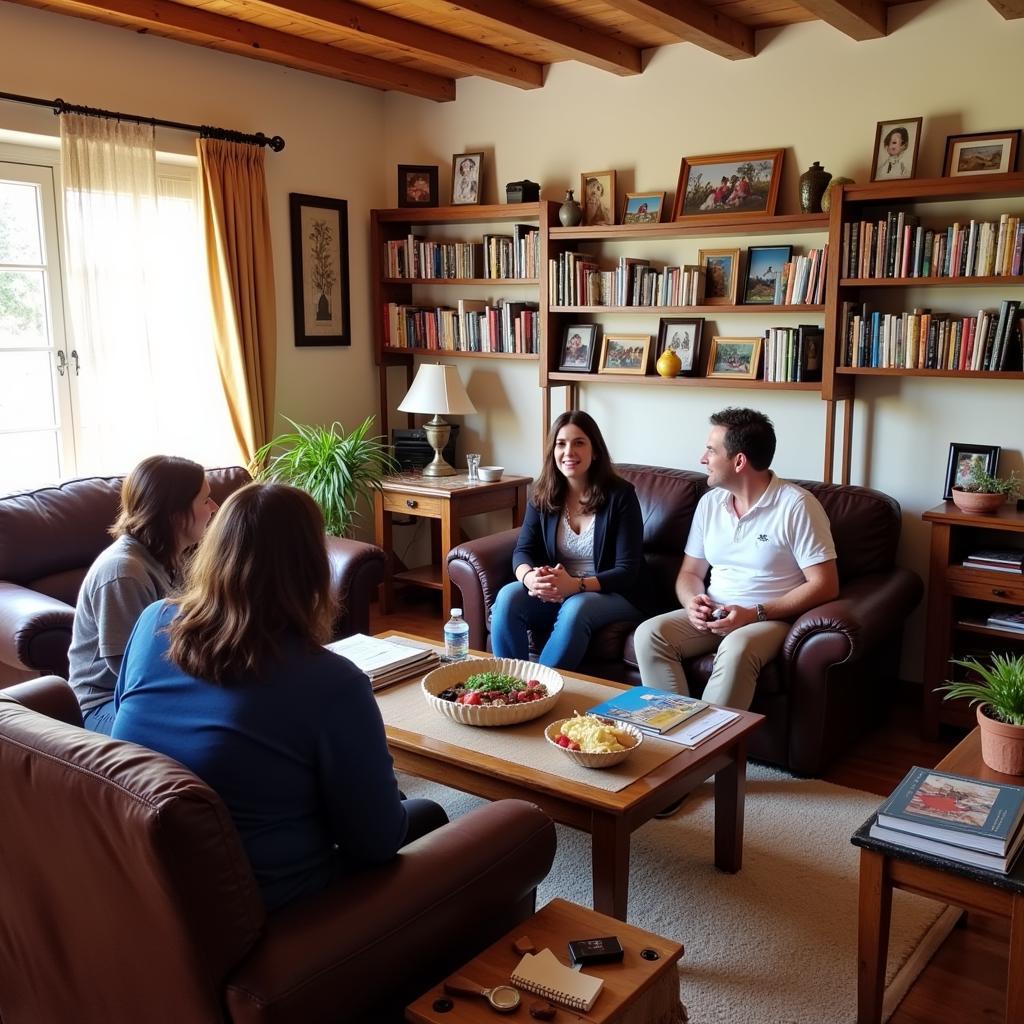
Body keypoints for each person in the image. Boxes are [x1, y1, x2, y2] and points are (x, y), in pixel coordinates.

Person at [112, 482, 448, 912]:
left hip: (146, 880)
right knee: (428, 815)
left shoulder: (151, 623)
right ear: (311, 566)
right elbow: (376, 843)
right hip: (264, 910)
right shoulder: (332, 682)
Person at [633, 407, 839, 712]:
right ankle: (674, 732)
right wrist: (693, 601)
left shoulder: (796, 506)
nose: (703, 459)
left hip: (769, 618)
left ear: (739, 461)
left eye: (711, 451)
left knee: (736, 646)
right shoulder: (710, 503)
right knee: (650, 634)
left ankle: (708, 750)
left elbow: (826, 585)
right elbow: (690, 572)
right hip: (714, 611)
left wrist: (753, 613)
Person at [69, 455, 216, 734]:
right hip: (106, 703)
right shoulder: (124, 572)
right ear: (175, 513)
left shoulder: (174, 556)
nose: (214, 508)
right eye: (205, 500)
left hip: (156, 693)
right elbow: (132, 671)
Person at [489, 411, 644, 670]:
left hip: (613, 592)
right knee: (507, 597)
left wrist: (575, 585)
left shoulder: (621, 496)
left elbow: (627, 571)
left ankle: (540, 690)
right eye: (561, 444)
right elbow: (523, 550)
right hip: (561, 588)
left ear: (595, 451)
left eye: (579, 442)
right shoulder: (542, 494)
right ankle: (509, 688)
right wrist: (531, 579)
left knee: (576, 608)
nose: (569, 451)